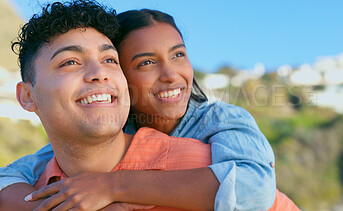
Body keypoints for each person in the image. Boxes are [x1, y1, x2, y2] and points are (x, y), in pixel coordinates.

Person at [0, 1, 277, 210]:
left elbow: (255, 187)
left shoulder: (219, 121)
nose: (170, 75)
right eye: (146, 63)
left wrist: (115, 188)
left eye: (178, 54)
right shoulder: (107, 129)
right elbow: (14, 173)